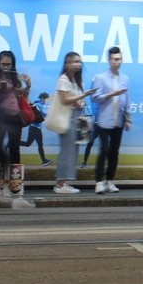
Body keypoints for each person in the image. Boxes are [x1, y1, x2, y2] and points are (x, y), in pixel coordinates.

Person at [0, 50, 32, 196]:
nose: (6, 67)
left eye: (9, 64)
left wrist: (28, 86)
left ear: (13, 64)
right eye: (3, 64)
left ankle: (14, 183)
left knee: (14, 149)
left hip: (15, 117)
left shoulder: (15, 78)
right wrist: (0, 91)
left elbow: (22, 97)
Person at [48, 53, 97, 194]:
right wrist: (83, 96)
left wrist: (80, 101)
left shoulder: (77, 80)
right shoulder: (62, 79)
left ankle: (64, 182)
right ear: (66, 64)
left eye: (79, 62)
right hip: (66, 119)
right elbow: (64, 100)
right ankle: (59, 184)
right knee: (66, 152)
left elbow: (78, 100)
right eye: (74, 62)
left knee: (73, 151)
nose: (78, 64)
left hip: (76, 118)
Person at [91, 46, 131, 194]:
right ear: (109, 60)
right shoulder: (101, 78)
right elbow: (95, 98)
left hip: (119, 120)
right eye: (114, 59)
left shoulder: (125, 78)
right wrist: (111, 94)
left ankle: (110, 181)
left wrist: (129, 118)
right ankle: (98, 182)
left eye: (119, 59)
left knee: (114, 151)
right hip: (104, 120)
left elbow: (127, 99)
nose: (117, 62)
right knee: (104, 150)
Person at [20, 92, 53, 166]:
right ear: (42, 98)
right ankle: (12, 142)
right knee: (28, 143)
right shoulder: (38, 105)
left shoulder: (37, 104)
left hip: (37, 127)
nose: (47, 101)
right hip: (34, 127)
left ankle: (44, 161)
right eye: (46, 99)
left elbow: (41, 115)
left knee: (40, 144)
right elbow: (40, 115)